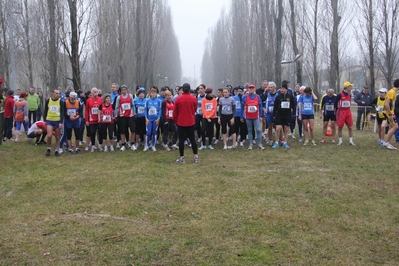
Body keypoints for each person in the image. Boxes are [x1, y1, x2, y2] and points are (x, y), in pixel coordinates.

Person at [173, 83, 199, 163]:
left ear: (182, 89)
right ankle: (196, 157)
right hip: (191, 122)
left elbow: (175, 112)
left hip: (181, 122)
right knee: (192, 139)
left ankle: (182, 158)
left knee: (181, 140)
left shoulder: (178, 99)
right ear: (189, 89)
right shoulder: (194, 99)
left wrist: (176, 121)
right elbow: (195, 109)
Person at [241, 84, 265, 150]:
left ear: (254, 89)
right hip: (248, 116)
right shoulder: (245, 97)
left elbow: (260, 106)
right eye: (250, 88)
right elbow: (242, 107)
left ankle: (259, 144)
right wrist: (241, 116)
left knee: (258, 130)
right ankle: (250, 144)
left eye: (252, 88)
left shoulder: (257, 97)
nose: (251, 89)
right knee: (250, 130)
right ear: (248, 89)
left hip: (256, 116)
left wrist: (261, 115)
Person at [272, 83, 296, 149]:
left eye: (283, 89)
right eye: (281, 89)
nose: (281, 90)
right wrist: (274, 116)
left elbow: (293, 106)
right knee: (278, 128)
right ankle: (276, 142)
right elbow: (275, 107)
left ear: (286, 89)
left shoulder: (290, 96)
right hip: (280, 114)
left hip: (287, 115)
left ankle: (285, 142)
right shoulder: (278, 97)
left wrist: (294, 114)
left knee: (286, 128)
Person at [114, 85, 136, 151]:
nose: (124, 91)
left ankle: (132, 144)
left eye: (125, 90)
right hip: (122, 115)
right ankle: (123, 144)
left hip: (130, 115)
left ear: (127, 90)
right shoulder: (118, 97)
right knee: (122, 130)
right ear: (120, 91)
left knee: (132, 130)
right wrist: (116, 114)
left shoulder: (130, 96)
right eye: (122, 90)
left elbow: (133, 105)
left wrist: (134, 111)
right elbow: (116, 107)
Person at [44, 89, 64, 156]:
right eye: (56, 93)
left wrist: (61, 122)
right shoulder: (48, 100)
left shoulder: (61, 101)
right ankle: (48, 148)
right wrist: (44, 120)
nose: (58, 95)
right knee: (49, 135)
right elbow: (45, 110)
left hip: (57, 120)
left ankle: (56, 149)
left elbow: (62, 112)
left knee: (57, 136)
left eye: (59, 93)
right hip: (49, 120)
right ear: (52, 93)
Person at [334, 81, 356, 146]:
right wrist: (336, 112)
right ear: (346, 87)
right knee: (340, 127)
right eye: (350, 86)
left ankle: (351, 141)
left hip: (348, 111)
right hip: (341, 111)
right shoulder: (339, 95)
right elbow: (335, 104)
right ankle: (340, 141)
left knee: (350, 127)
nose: (351, 87)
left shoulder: (350, 95)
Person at [382, 79, 399, 150]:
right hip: (387, 113)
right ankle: (387, 143)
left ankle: (388, 142)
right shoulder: (392, 92)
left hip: (389, 112)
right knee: (395, 127)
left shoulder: (393, 91)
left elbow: (391, 104)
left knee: (392, 127)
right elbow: (387, 104)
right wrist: (390, 114)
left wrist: (393, 113)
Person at [85, 87, 103, 152]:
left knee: (101, 133)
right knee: (92, 133)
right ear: (91, 92)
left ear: (98, 92)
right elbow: (86, 111)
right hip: (92, 120)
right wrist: (87, 120)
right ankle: (93, 145)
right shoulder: (88, 100)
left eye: (96, 91)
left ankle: (100, 145)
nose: (95, 92)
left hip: (99, 120)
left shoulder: (101, 99)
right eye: (94, 91)